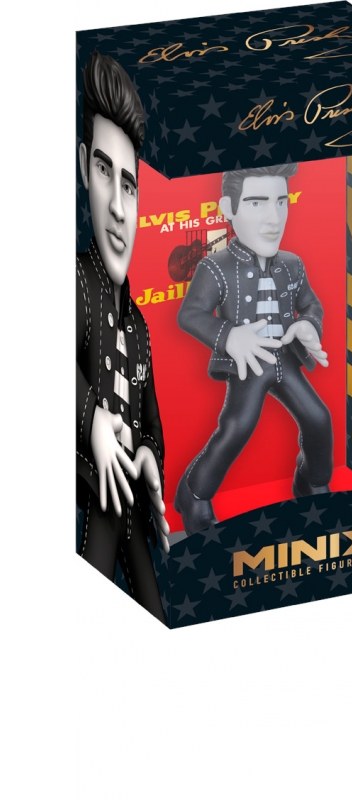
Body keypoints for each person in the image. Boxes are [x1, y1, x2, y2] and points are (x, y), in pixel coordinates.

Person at [175, 165, 333, 535]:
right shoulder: (215, 267)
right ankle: (193, 494)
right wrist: (230, 335)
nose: (273, 218)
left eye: (281, 202)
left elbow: (311, 304)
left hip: (285, 358)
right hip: (249, 364)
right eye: (257, 203)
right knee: (237, 428)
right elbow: (190, 314)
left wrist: (309, 325)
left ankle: (311, 480)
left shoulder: (292, 265)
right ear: (228, 208)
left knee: (319, 418)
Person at [76, 52, 169, 622]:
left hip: (132, 500)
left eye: (129, 185)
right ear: (82, 168)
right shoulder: (73, 285)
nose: (116, 206)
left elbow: (152, 421)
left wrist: (150, 455)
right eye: (103, 171)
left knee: (155, 616)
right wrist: (91, 422)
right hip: (92, 497)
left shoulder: (140, 326)